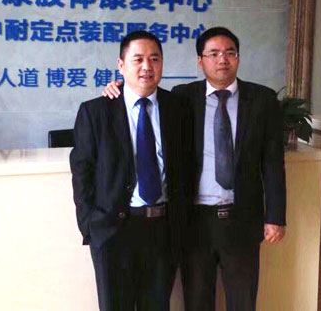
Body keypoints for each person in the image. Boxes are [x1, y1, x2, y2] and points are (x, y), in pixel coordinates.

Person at [102, 26, 286, 311]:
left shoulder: (262, 100)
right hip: (194, 222)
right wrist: (115, 87)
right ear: (200, 61)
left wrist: (275, 216)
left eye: (230, 53)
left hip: (242, 218)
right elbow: (142, 93)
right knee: (196, 301)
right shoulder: (183, 97)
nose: (222, 59)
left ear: (238, 58)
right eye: (213, 53)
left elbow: (273, 162)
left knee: (243, 302)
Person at [70, 31, 192, 311]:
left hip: (163, 231)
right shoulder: (96, 111)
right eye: (138, 59)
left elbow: (187, 166)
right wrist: (90, 225)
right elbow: (82, 171)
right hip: (114, 231)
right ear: (121, 65)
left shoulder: (179, 107)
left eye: (154, 59)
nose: (147, 66)